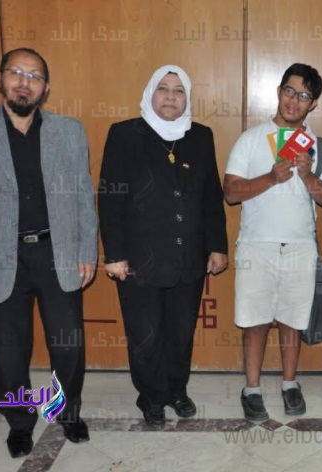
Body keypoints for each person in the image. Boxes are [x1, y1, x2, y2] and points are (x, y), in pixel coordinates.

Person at [0, 48, 97, 458]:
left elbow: (84, 196)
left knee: (67, 344)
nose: (24, 82)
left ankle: (67, 411)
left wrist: (87, 250)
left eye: (34, 76)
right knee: (8, 349)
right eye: (16, 72)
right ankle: (19, 421)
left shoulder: (69, 132)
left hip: (57, 251)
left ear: (45, 88)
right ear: (0, 78)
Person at [98, 65, 228, 429]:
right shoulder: (124, 134)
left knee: (180, 332)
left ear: (187, 98)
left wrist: (217, 245)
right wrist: (114, 255)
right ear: (149, 94)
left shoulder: (200, 136)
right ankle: (152, 397)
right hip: (138, 259)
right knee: (145, 335)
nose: (171, 96)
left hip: (188, 256)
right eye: (163, 89)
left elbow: (211, 196)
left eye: (178, 90)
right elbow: (110, 197)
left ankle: (176, 390)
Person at [224, 63, 322, 422]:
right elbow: (231, 192)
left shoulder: (317, 146)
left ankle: (290, 384)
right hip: (256, 246)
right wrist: (271, 177)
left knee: (292, 321)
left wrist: (307, 174)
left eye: (303, 95)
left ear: (312, 104)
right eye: (289, 90)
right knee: (254, 321)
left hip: (300, 247)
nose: (294, 100)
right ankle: (252, 389)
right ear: (278, 91)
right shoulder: (251, 139)